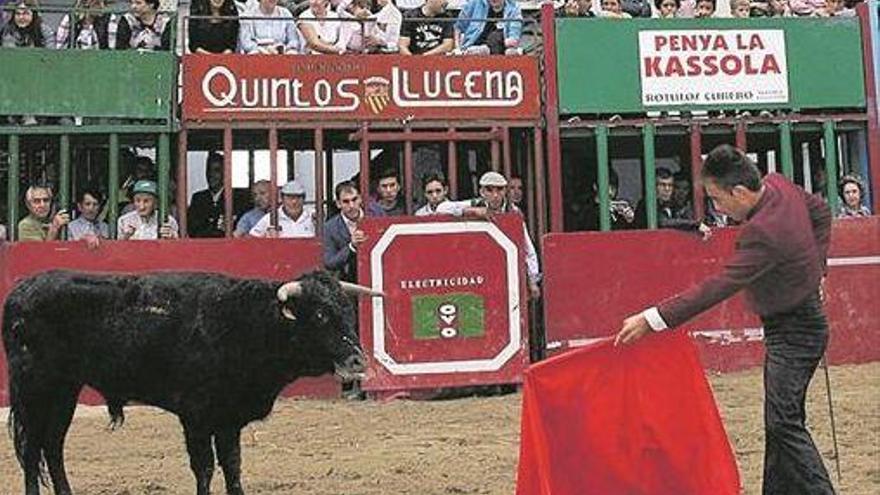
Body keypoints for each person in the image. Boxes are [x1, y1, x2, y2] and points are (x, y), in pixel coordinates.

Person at [615, 145, 835, 495]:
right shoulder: (779, 185)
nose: (717, 208)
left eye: (717, 199)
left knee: (784, 423)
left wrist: (653, 317)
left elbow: (717, 287)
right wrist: (818, 270)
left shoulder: (762, 233)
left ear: (740, 192)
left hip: (796, 332)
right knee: (779, 421)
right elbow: (821, 213)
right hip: (797, 322)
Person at [447, 171, 541, 299]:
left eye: (499, 190)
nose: (495, 195)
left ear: (504, 191)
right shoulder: (475, 204)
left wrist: (532, 280)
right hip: (480, 271)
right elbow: (442, 208)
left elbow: (527, 248)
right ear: (482, 192)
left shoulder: (513, 211)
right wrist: (471, 211)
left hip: (506, 272)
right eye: (489, 190)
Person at [323, 181, 366, 283]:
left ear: (360, 198)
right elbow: (329, 262)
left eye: (354, 199)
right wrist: (351, 247)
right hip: (347, 283)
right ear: (338, 204)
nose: (351, 205)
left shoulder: (377, 215)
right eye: (346, 202)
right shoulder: (330, 227)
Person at [188, 152, 234, 238]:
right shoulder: (198, 198)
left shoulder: (237, 198)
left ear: (225, 173)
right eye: (209, 170)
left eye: (216, 170)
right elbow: (191, 228)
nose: (211, 175)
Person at [249, 179, 316, 237]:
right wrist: (267, 239)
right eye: (289, 197)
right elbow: (251, 239)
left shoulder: (313, 216)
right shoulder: (271, 218)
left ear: (304, 199)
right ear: (282, 199)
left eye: (298, 197)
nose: (294, 202)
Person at [455, 0, 522, 56]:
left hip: (501, 48)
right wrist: (458, 49)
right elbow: (458, 27)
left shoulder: (514, 8)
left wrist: (510, 42)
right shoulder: (474, 3)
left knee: (508, 50)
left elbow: (514, 35)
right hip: (473, 47)